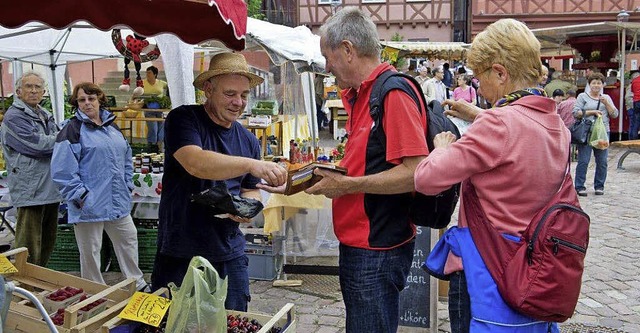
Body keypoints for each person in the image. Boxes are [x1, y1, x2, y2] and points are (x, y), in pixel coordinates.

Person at [260, 8, 428, 332]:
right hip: (362, 245)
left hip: (376, 249)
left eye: (328, 56)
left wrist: (347, 186)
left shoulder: (391, 93)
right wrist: (297, 182)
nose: (326, 66)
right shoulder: (363, 95)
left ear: (348, 50)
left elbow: (415, 172)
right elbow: (362, 162)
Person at [418, 19, 566, 332]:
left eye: (479, 77)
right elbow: (521, 132)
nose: (478, 87)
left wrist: (442, 147)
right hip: (532, 270)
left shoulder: (497, 127)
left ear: (500, 73)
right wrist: (480, 114)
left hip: (486, 271)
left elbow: (427, 179)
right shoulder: (555, 124)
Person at [150, 52, 287, 311]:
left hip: (229, 249)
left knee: (233, 320)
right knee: (174, 323)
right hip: (181, 249)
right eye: (230, 93)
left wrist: (246, 208)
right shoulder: (183, 119)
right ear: (208, 89)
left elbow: (251, 190)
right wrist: (250, 163)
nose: (238, 102)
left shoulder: (247, 139)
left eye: (244, 95)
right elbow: (196, 162)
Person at [51, 83, 148, 291]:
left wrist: (127, 182)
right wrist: (81, 195)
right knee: (91, 250)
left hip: (117, 199)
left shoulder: (112, 126)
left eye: (91, 98)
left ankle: (136, 284)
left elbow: (126, 155)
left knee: (128, 240)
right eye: (81, 100)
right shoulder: (72, 129)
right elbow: (62, 171)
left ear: (99, 99)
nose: (87, 103)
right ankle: (94, 291)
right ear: (76, 103)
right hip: (89, 203)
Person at [0, 72, 61, 266]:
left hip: (49, 185)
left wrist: (61, 139)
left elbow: (54, 139)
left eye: (38, 87)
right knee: (28, 243)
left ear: (44, 92)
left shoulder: (43, 114)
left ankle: (39, 282)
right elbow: (37, 146)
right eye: (28, 87)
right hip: (30, 187)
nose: (34, 91)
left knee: (46, 240)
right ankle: (22, 285)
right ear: (18, 92)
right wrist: (64, 139)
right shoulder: (14, 117)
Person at [573, 72, 618, 196]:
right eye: (594, 83)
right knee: (584, 160)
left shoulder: (606, 98)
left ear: (602, 85)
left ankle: (599, 186)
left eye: (599, 83)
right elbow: (576, 113)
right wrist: (592, 112)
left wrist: (606, 104)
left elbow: (615, 114)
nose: (596, 85)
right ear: (589, 84)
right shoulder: (582, 96)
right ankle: (579, 186)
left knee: (602, 161)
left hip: (602, 133)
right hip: (587, 132)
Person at [143, 66, 168, 149]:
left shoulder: (161, 83)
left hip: (160, 108)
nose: (147, 74)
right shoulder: (143, 83)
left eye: (149, 73)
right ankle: (152, 146)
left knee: (161, 128)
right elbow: (137, 92)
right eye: (147, 73)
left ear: (155, 74)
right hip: (148, 108)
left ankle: (160, 146)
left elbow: (169, 88)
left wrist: (167, 99)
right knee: (153, 128)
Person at [630, 70, 640, 140]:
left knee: (636, 120)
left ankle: (634, 139)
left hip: (636, 101)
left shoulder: (634, 80)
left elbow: (632, 90)